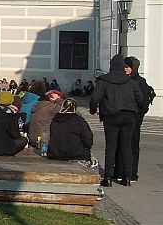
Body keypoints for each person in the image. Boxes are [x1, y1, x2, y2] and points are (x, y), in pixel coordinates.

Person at [90, 54, 144, 187]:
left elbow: (95, 98)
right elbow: (140, 99)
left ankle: (108, 177)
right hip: (129, 116)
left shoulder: (104, 81)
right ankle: (127, 177)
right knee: (126, 146)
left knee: (111, 147)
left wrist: (92, 110)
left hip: (111, 116)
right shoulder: (130, 82)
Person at [120, 57, 154, 183]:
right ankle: (120, 171)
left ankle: (131, 173)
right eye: (124, 67)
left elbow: (143, 103)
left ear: (134, 68)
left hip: (134, 118)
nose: (125, 69)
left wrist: (137, 115)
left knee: (132, 144)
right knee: (121, 144)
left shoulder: (140, 82)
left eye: (128, 67)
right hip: (123, 117)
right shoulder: (122, 80)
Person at [46, 98, 94, 162]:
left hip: (55, 154)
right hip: (76, 154)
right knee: (93, 162)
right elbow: (88, 138)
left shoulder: (55, 119)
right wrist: (87, 147)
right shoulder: (78, 120)